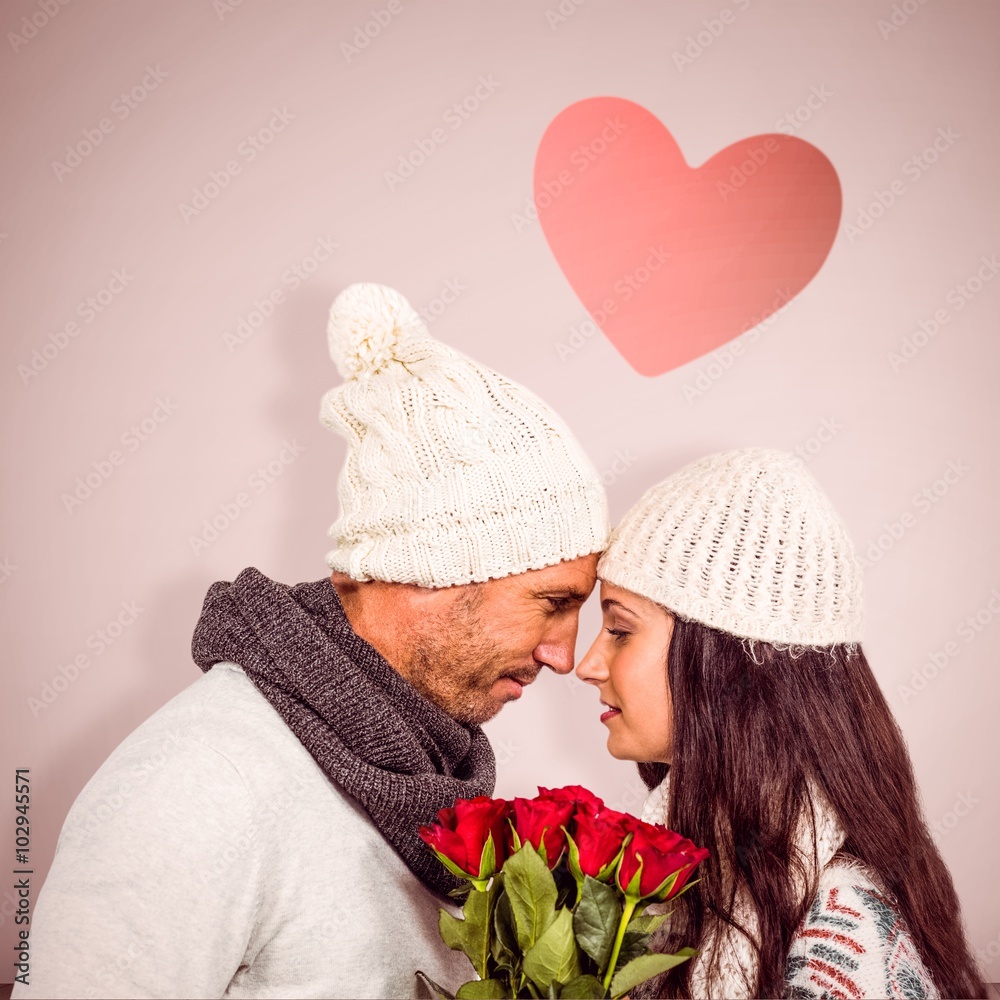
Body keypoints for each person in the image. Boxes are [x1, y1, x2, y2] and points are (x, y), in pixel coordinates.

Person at [17, 283, 609, 1000]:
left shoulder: (428, 774)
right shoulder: (196, 785)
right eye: (553, 603)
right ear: (432, 570)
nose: (563, 653)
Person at [576, 448, 988, 1000]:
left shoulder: (845, 941)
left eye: (620, 631)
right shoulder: (696, 868)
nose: (587, 664)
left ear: (720, 662)